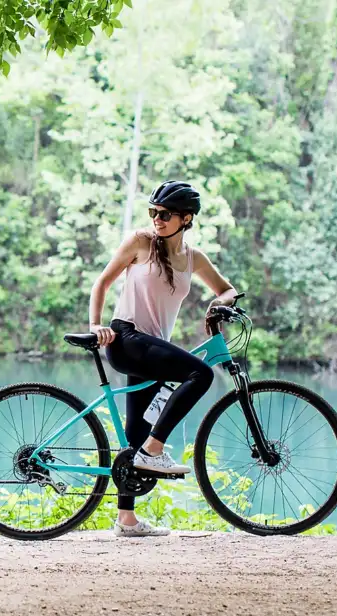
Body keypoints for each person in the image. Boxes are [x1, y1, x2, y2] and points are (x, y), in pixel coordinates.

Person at [86, 180, 239, 538]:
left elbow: (226, 289)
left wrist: (220, 305)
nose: (157, 218)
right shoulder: (139, 242)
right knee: (200, 374)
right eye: (153, 212)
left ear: (186, 219)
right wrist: (95, 324)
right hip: (126, 339)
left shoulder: (192, 258)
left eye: (165, 214)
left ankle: (126, 519)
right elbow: (102, 283)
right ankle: (155, 451)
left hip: (151, 348)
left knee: (135, 434)